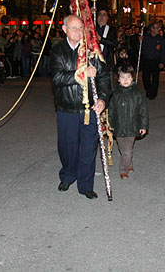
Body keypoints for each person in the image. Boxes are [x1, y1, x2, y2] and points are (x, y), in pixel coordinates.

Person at [51, 15, 111, 199]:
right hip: (67, 108)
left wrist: (102, 99)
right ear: (64, 30)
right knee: (67, 148)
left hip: (90, 109)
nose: (78, 31)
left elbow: (104, 79)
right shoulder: (58, 51)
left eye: (80, 28)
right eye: (74, 28)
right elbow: (57, 78)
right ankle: (68, 175)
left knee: (88, 148)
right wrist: (81, 74)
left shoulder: (92, 51)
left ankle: (86, 184)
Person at [108, 64, 148, 179]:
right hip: (119, 127)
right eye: (123, 77)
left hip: (132, 126)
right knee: (123, 149)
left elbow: (143, 111)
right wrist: (110, 123)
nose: (125, 80)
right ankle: (129, 163)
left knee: (127, 151)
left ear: (132, 78)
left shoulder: (137, 94)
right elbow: (111, 110)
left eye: (128, 77)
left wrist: (143, 126)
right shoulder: (115, 94)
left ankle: (123, 170)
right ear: (118, 79)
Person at [140, 22, 165, 100]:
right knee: (145, 77)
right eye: (156, 28)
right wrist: (139, 41)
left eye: (158, 28)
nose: (158, 29)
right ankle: (148, 90)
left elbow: (163, 51)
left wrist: (162, 62)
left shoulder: (161, 39)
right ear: (151, 29)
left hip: (156, 61)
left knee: (155, 78)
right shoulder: (146, 38)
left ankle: (153, 93)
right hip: (146, 60)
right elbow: (139, 49)